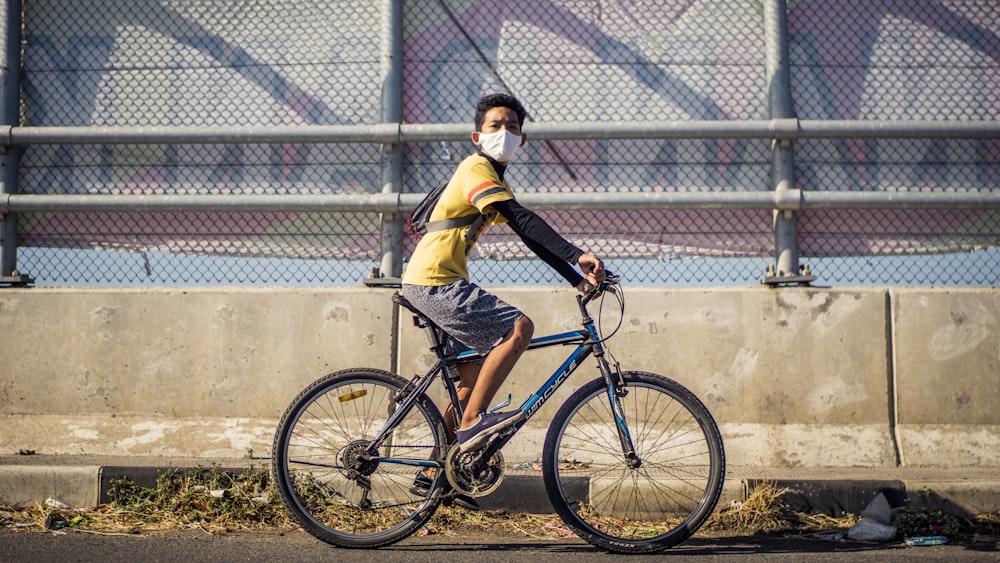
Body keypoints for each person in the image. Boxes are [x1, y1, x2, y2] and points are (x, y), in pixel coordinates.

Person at [401, 93, 605, 460]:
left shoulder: (493, 180)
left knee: (470, 382)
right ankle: (473, 423)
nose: (505, 133)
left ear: (522, 139)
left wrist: (574, 278)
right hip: (436, 280)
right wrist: (577, 255)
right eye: (495, 126)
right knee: (518, 329)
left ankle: (435, 471)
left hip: (429, 280)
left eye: (512, 127)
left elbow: (526, 234)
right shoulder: (475, 167)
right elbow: (522, 218)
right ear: (477, 136)